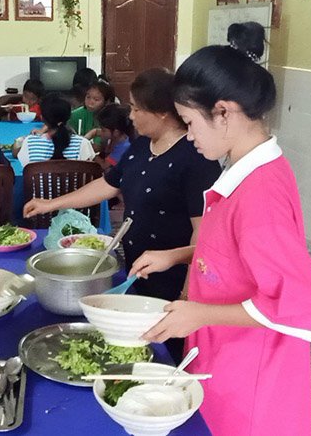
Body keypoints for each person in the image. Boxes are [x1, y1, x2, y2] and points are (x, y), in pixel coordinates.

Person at [135, 22, 311, 435]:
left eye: (190, 122)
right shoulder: (246, 170)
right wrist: (180, 254)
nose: (188, 137)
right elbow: (235, 252)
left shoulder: (260, 195)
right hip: (223, 355)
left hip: (251, 377)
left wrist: (197, 313)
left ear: (224, 112)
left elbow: (296, 303)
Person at [24, 68, 222, 360]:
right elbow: (108, 184)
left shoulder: (195, 158)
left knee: (167, 351)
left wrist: (186, 293)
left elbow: (202, 232)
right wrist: (51, 203)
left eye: (137, 108)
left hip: (174, 277)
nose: (131, 116)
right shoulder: (142, 146)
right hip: (138, 269)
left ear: (163, 114)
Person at [16, 93, 96, 166]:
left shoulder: (30, 142)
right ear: (68, 117)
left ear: (42, 118)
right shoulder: (83, 143)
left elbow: (26, 169)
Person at [97, 103, 136, 168]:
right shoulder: (113, 138)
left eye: (103, 130)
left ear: (116, 132)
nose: (101, 132)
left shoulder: (124, 147)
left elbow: (104, 165)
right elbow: (95, 131)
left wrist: (92, 154)